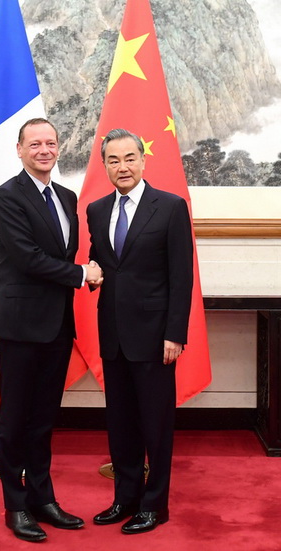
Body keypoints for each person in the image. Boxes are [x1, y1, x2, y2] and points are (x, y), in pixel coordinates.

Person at [0, 118, 102, 542]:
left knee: (42, 420)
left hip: (56, 326)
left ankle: (42, 498)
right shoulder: (7, 195)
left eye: (50, 143)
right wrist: (82, 274)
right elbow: (26, 257)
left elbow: (59, 253)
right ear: (19, 150)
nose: (44, 150)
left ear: (58, 148)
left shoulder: (67, 197)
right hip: (18, 326)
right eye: (34, 144)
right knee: (15, 419)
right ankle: (15, 506)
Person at [87, 128, 193, 535]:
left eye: (130, 158)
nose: (123, 167)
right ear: (104, 166)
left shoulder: (170, 207)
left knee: (156, 426)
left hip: (155, 337)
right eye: (113, 160)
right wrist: (90, 273)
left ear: (143, 160)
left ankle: (154, 505)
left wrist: (175, 333)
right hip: (113, 335)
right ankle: (125, 498)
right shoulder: (96, 210)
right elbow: (102, 262)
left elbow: (181, 277)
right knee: (121, 424)